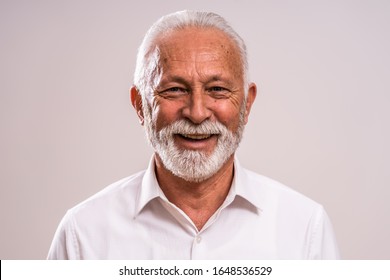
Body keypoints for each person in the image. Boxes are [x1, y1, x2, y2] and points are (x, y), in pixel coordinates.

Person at [47, 10, 339, 259]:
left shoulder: (305, 229)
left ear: (246, 104)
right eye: (174, 89)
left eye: (217, 90)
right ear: (140, 106)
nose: (197, 113)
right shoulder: (82, 234)